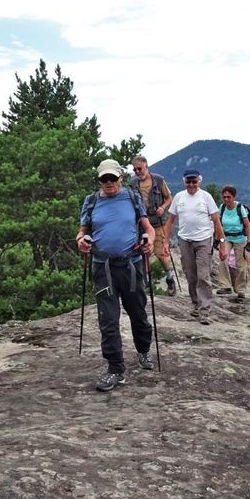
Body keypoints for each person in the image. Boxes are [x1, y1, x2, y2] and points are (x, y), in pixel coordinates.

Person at [76, 159, 157, 392]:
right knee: (108, 320)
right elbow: (82, 232)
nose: (109, 182)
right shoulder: (91, 202)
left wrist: (149, 240)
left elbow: (148, 228)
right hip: (103, 268)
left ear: (121, 177)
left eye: (112, 178)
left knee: (138, 313)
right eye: (104, 179)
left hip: (131, 266)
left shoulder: (132, 198)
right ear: (99, 180)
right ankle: (115, 369)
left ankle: (143, 350)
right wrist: (81, 241)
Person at [162, 168, 228, 325]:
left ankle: (205, 310)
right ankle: (195, 304)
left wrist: (223, 244)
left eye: (194, 181)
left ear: (200, 181)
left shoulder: (206, 197)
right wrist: (165, 242)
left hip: (204, 239)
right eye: (188, 182)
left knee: (203, 275)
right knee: (190, 274)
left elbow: (216, 220)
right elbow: (170, 221)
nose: (191, 184)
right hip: (185, 239)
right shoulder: (179, 197)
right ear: (184, 181)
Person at [130, 155, 176, 296]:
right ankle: (147, 283)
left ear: (146, 166)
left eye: (140, 168)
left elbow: (169, 198)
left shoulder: (158, 180)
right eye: (135, 169)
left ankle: (170, 278)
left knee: (161, 253)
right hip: (142, 224)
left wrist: (162, 207)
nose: (138, 171)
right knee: (144, 254)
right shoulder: (132, 184)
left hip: (157, 222)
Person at [215, 185, 250, 301]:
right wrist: (217, 240)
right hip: (226, 237)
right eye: (224, 197)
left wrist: (249, 242)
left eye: (229, 197)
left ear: (234, 197)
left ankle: (240, 289)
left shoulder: (239, 208)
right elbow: (218, 224)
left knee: (241, 264)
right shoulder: (221, 208)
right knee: (223, 258)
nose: (226, 199)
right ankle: (225, 286)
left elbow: (247, 226)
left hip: (240, 238)